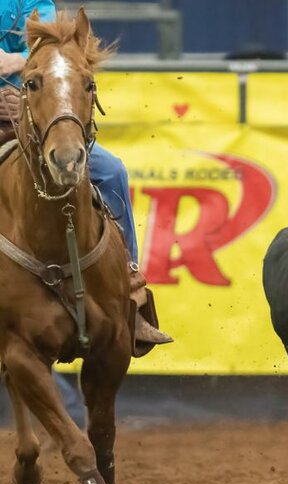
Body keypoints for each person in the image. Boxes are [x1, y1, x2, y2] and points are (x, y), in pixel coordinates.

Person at [0, 1, 169, 427]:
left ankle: (130, 283)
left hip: (34, 118)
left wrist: (28, 77)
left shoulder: (36, 3)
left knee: (110, 171)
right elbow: (45, 50)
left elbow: (60, 54)